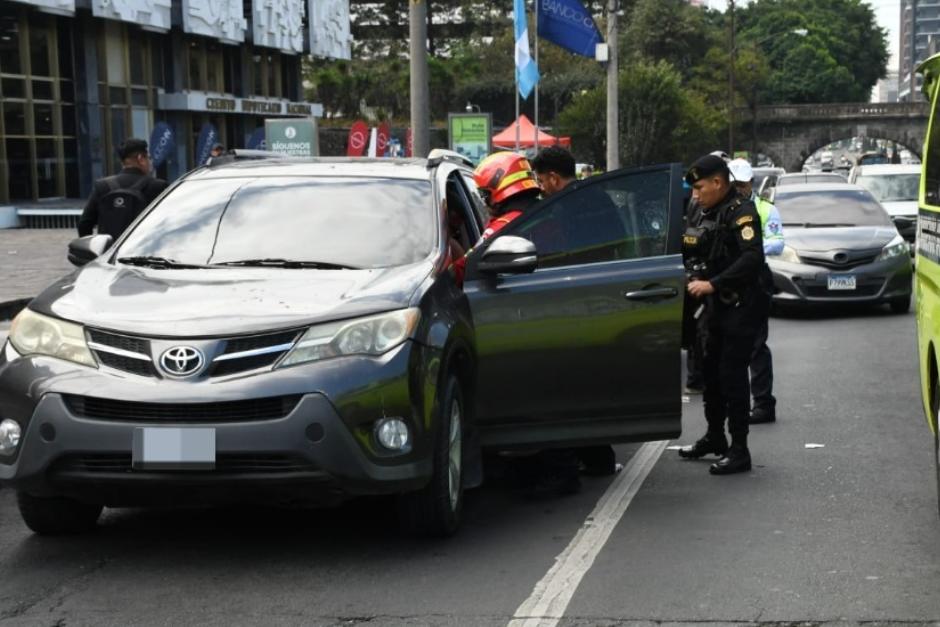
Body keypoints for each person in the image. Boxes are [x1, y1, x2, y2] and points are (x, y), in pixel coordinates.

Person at [678, 154, 770, 475]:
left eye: (700, 187)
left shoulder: (741, 212)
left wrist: (713, 284)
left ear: (718, 182)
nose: (696, 193)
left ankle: (740, 449)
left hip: (741, 304)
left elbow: (752, 258)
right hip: (714, 305)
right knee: (711, 373)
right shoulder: (703, 209)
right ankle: (715, 436)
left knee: (732, 375)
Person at [531, 145, 618, 477]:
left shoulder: (563, 208)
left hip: (578, 303)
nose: (540, 187)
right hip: (602, 299)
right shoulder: (598, 198)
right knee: (589, 383)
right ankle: (597, 458)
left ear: (553, 178)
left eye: (540, 180)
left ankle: (575, 462)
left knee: (570, 384)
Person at [728, 159, 782, 424]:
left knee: (756, 346)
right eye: (734, 184)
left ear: (750, 182)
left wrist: (751, 250)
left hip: (755, 279)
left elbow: (777, 243)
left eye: (742, 183)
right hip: (727, 280)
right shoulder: (721, 209)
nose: (738, 188)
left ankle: (763, 404)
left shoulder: (764, 209)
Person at [78, 138, 167, 242]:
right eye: (148, 158)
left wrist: (95, 250)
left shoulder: (102, 186)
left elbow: (84, 224)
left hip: (110, 254)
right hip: (146, 253)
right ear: (140, 158)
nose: (149, 162)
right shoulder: (158, 186)